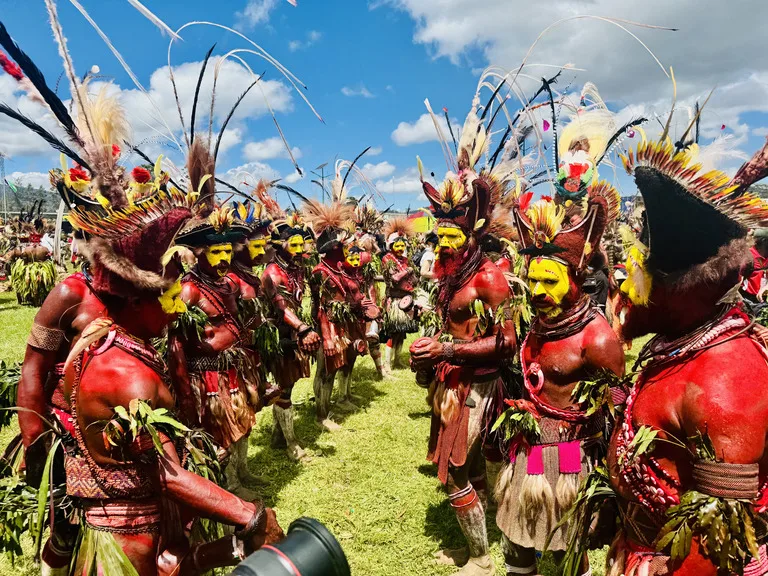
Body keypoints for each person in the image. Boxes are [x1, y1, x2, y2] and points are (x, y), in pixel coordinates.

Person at [605, 127, 768, 575]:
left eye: (644, 281)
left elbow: (720, 536)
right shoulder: (675, 343)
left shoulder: (724, 386)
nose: (630, 293)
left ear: (683, 291)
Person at [409, 73, 526, 574]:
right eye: (437, 235)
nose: (440, 243)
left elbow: (508, 340)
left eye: (449, 235)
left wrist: (450, 352)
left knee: (457, 469)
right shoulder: (448, 271)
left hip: (480, 386)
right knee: (464, 466)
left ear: (471, 230)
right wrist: (434, 347)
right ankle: (489, 536)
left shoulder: (490, 279)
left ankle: (480, 557)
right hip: (452, 381)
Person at [497, 189, 625, 576]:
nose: (536, 292)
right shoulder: (537, 322)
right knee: (517, 542)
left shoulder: (597, 339)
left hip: (571, 455)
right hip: (527, 444)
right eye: (532, 280)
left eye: (548, 282)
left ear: (576, 278)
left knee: (565, 546)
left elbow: (619, 411)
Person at [170, 198, 259, 500]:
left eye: (226, 252)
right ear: (199, 254)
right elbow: (176, 344)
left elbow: (239, 323)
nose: (223, 259)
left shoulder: (229, 285)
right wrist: (183, 394)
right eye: (215, 252)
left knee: (243, 422)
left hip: (234, 367)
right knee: (218, 433)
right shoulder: (188, 289)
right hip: (204, 377)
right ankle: (224, 487)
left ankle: (241, 473)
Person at [258, 183, 321, 461]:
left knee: (290, 385)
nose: (298, 250)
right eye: (293, 245)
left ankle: (278, 436)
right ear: (279, 246)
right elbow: (281, 307)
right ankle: (291, 444)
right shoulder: (272, 272)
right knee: (284, 388)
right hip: (279, 335)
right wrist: (302, 328)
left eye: (301, 244)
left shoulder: (296, 269)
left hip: (292, 332)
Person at [382, 216, 418, 370]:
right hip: (394, 300)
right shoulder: (387, 259)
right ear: (391, 245)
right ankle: (387, 363)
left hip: (405, 299)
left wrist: (413, 274)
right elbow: (394, 278)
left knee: (402, 333)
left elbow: (415, 280)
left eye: (403, 245)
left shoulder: (405, 260)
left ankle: (397, 360)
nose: (401, 247)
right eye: (398, 245)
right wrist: (408, 271)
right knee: (392, 332)